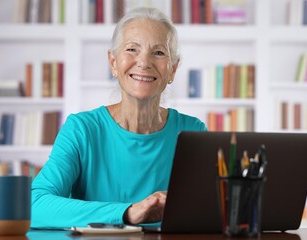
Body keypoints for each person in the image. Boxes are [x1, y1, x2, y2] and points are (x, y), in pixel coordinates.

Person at [31, 7, 207, 228]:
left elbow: (209, 212)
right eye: (132, 49)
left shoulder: (193, 132)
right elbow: (35, 205)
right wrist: (127, 213)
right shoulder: (81, 129)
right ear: (113, 62)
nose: (144, 62)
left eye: (159, 52)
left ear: (172, 70)